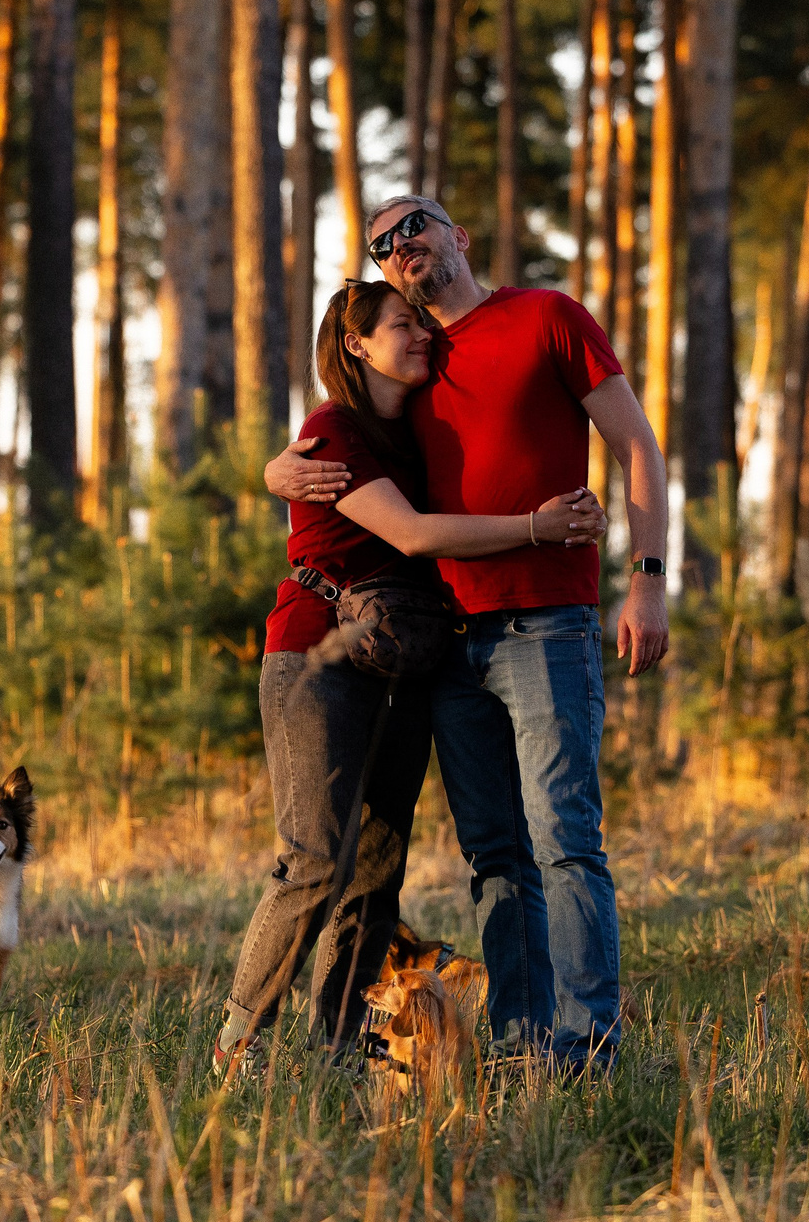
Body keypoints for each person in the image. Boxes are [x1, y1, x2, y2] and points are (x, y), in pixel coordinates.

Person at [266, 195, 669, 1071]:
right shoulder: (411, 364)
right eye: (382, 243)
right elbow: (336, 435)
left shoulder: (547, 317)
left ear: (460, 236)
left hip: (549, 628)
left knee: (565, 838)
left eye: (414, 224)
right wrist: (275, 468)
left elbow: (638, 445)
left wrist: (646, 581)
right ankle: (522, 1041)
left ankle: (588, 1042)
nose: (400, 245)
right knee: (494, 855)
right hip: (448, 643)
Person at [214, 281, 605, 1073]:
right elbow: (415, 534)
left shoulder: (414, 432)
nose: (422, 333)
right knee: (316, 857)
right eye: (404, 324)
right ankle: (239, 1041)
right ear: (357, 345)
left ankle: (337, 1051)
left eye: (422, 321)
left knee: (376, 870)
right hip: (317, 658)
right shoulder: (332, 429)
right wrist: (538, 527)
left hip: (400, 667)